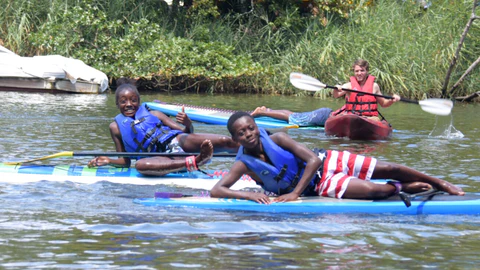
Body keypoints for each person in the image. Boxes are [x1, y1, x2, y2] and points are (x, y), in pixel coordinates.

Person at [210, 112, 464, 204]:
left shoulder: (277, 139)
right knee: (373, 191)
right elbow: (217, 190)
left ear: (257, 127)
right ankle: (400, 188)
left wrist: (295, 193)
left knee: (390, 166)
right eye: (241, 133)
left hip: (327, 161)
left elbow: (313, 160)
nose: (249, 134)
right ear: (235, 140)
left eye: (251, 128)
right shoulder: (243, 163)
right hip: (319, 186)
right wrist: (250, 195)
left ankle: (440, 183)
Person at [87, 79, 239, 176]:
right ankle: (197, 160)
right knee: (142, 165)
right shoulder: (115, 128)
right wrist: (108, 160)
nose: (128, 104)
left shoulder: (156, 114)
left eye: (133, 100)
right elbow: (125, 161)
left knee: (225, 141)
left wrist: (187, 124)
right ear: (117, 104)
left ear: (139, 102)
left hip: (178, 142)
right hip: (159, 157)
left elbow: (186, 133)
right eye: (123, 101)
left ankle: (259, 154)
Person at [332, 59, 401, 121]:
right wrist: (336, 88)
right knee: (349, 117)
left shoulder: (374, 86)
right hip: (352, 116)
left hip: (370, 118)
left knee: (375, 119)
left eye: (362, 70)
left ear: (367, 71)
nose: (359, 73)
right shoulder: (349, 85)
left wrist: (391, 100)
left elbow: (383, 104)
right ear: (354, 72)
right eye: (357, 71)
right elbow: (336, 95)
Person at [250, 106, 332, 127]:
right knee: (293, 117)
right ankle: (261, 112)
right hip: (324, 117)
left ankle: (268, 111)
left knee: (294, 115)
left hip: (325, 114)